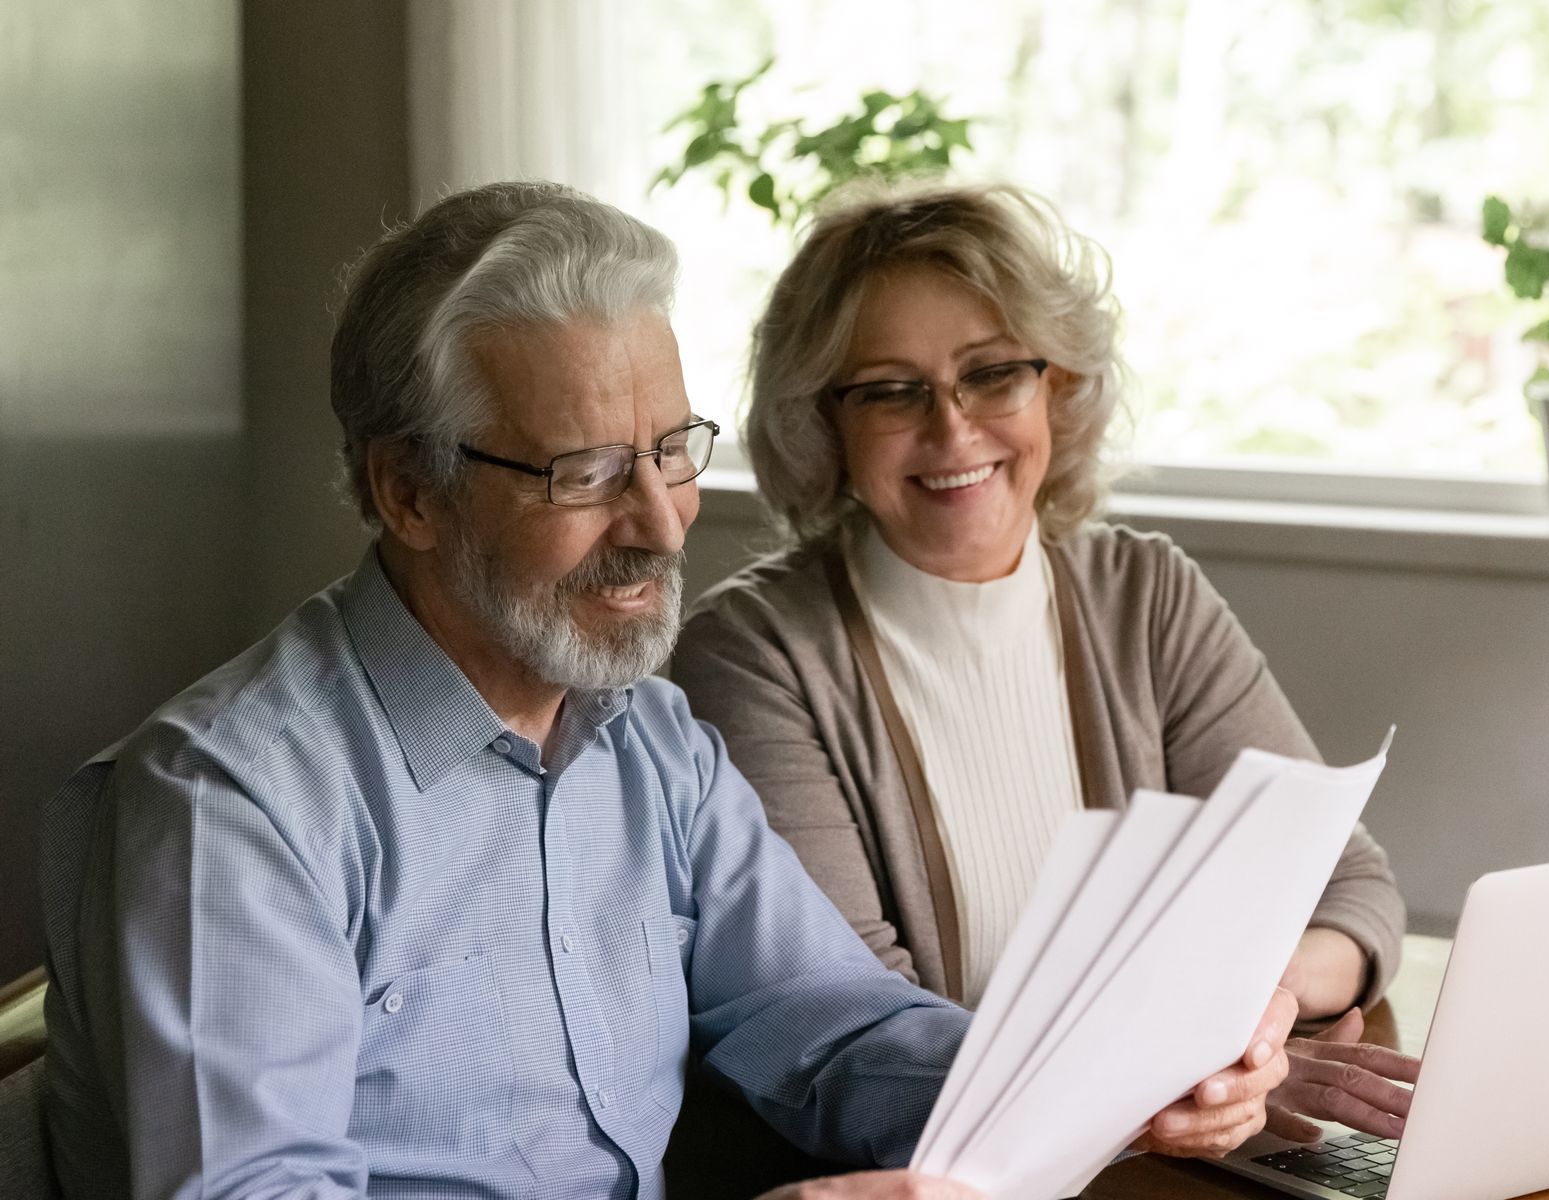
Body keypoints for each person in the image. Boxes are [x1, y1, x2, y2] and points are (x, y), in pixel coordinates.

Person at [36, 182, 1289, 1200]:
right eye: (584, 471)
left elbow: (831, 1024)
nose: (660, 522)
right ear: (410, 491)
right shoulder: (233, 802)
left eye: (674, 449)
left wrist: (1108, 1077)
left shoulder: (648, 739)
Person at [673, 182, 1421, 1147]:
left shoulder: (1146, 596)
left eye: (993, 374)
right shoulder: (755, 655)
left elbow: (1351, 889)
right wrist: (1149, 1076)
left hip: (1176, 1145)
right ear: (825, 423)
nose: (952, 430)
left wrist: (1253, 1022)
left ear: (1056, 388)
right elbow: (852, 1031)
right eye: (893, 390)